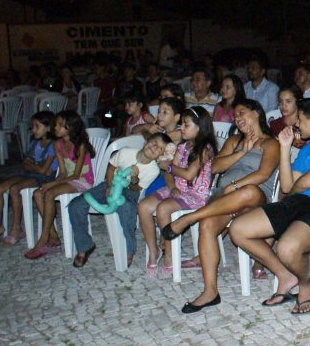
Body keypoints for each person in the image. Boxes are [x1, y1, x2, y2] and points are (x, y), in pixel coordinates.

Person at [228, 97, 310, 315]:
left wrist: (293, 190)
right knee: (238, 229)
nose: (296, 124)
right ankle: (285, 275)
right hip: (297, 201)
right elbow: (288, 186)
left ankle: (306, 284)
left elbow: (302, 184)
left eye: (300, 120)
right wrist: (285, 149)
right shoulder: (308, 148)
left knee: (287, 249)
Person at [161, 100, 280, 311]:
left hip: (255, 198)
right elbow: (214, 167)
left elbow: (263, 174)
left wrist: (236, 185)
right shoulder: (234, 141)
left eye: (242, 112)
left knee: (249, 191)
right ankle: (210, 291)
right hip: (223, 195)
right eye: (236, 115)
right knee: (207, 225)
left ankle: (190, 217)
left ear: (256, 113)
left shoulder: (270, 143)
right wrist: (241, 152)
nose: (238, 118)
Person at [69, 132, 170, 268]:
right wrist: (109, 186)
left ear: (160, 156)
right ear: (146, 141)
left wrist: (134, 179)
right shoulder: (125, 152)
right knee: (76, 205)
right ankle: (84, 246)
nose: (154, 147)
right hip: (110, 184)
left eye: (159, 148)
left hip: (130, 192)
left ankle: (129, 249)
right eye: (154, 143)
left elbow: (136, 189)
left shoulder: (153, 170)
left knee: (127, 209)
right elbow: (111, 168)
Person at [138, 106, 216, 275]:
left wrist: (170, 167)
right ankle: (153, 250)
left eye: (186, 125)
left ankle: (169, 253)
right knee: (143, 206)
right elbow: (168, 172)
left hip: (195, 194)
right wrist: (172, 186)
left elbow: (188, 174)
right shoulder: (182, 146)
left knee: (163, 208)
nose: (182, 128)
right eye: (182, 124)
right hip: (177, 188)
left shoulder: (205, 150)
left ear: (200, 127)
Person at [27, 111, 96, 259]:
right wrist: (52, 183)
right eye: (56, 124)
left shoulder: (80, 145)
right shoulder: (57, 144)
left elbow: (76, 175)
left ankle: (43, 240)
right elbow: (63, 172)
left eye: (60, 125)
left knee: (49, 193)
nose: (55, 127)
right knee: (38, 193)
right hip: (68, 179)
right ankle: (53, 235)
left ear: (71, 127)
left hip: (83, 181)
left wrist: (52, 184)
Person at [0, 111, 57, 246]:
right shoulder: (34, 143)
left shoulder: (53, 145)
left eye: (37, 126)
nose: (33, 130)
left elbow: (44, 171)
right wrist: (33, 165)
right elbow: (25, 163)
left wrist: (32, 165)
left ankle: (17, 229)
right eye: (32, 126)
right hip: (30, 174)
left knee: (15, 188)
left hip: (44, 178)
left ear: (48, 127)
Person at [270, 86, 309, 155]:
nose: (283, 105)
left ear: (298, 102)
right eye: (280, 101)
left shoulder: (305, 125)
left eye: (288, 101)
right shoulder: (274, 124)